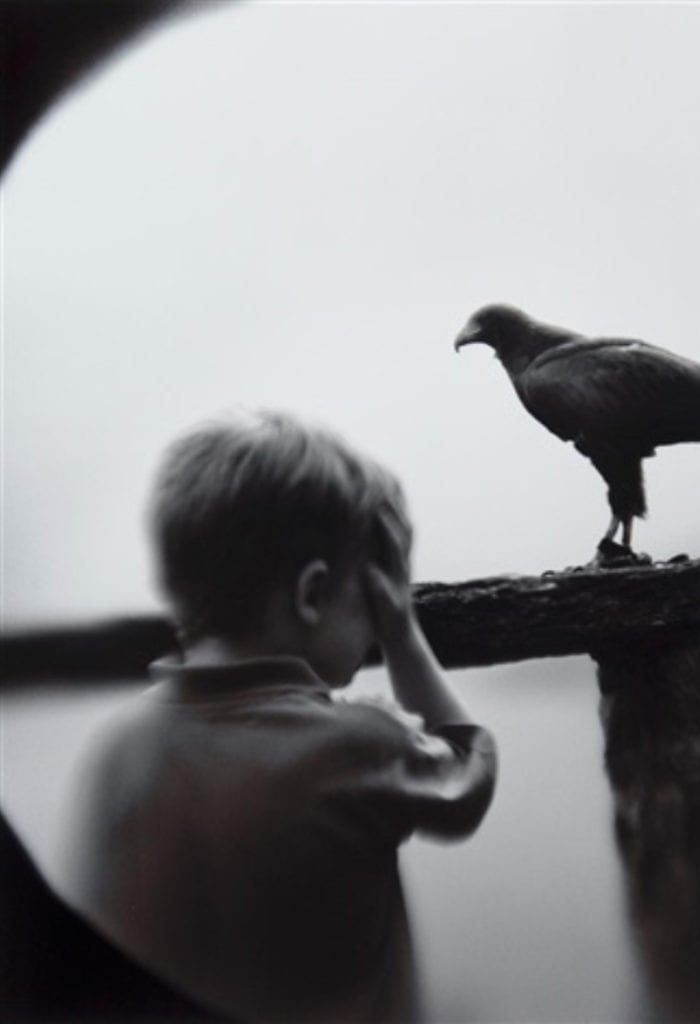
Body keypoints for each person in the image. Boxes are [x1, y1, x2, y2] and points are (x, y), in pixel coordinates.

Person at [64, 411, 497, 1022]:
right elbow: (470, 768)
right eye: (370, 594)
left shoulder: (118, 748)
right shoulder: (360, 745)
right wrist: (402, 633)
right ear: (311, 595)